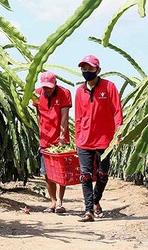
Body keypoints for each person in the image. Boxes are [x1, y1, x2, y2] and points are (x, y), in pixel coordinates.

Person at [74, 55, 122, 222]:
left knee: (102, 174)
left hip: (104, 140)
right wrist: (77, 137)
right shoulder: (79, 91)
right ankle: (89, 211)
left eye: (90, 68)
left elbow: (117, 111)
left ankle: (95, 201)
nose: (86, 71)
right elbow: (78, 116)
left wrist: (118, 133)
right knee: (85, 175)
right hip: (84, 140)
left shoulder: (109, 87)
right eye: (84, 69)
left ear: (98, 70)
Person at [34, 71, 71, 213]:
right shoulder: (37, 93)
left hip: (60, 141)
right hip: (45, 140)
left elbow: (64, 116)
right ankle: (53, 202)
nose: (47, 90)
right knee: (46, 173)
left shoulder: (64, 93)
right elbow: (38, 113)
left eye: (49, 87)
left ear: (55, 84)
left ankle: (61, 201)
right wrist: (40, 130)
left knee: (62, 173)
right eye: (44, 87)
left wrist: (62, 136)